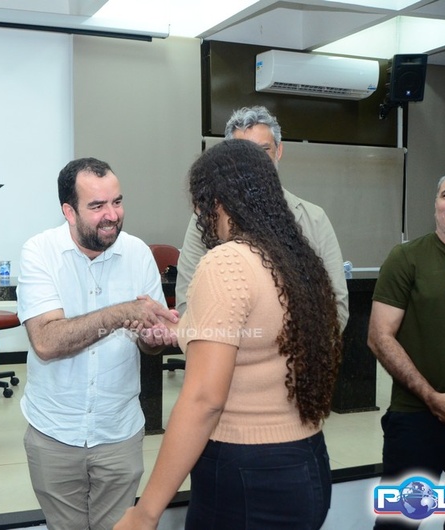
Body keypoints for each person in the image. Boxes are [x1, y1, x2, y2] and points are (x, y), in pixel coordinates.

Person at [115, 139, 342, 530]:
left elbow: (204, 400)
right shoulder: (295, 259)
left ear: (215, 201)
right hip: (306, 461)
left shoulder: (227, 262)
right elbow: (259, 337)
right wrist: (181, 328)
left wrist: (145, 512)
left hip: (246, 473)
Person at [16, 157, 178, 530]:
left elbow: (149, 343)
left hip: (119, 432)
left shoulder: (137, 253)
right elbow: (47, 341)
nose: (112, 215)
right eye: (97, 206)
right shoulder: (39, 252)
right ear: (68, 211)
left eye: (117, 202)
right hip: (54, 432)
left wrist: (153, 338)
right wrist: (122, 313)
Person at [175, 105, 349, 330]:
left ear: (279, 151)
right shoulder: (208, 218)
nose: (255, 163)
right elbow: (187, 304)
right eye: (245, 154)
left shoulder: (313, 218)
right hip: (222, 347)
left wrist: (288, 346)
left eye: (264, 150)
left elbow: (337, 307)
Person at [368, 166, 445, 529]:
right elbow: (380, 336)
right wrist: (431, 398)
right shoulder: (406, 258)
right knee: (397, 523)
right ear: (436, 205)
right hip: (415, 421)